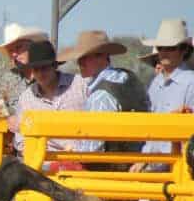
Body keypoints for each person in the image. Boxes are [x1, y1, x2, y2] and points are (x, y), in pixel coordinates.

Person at [57, 30, 149, 159]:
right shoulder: (129, 78)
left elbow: (92, 151)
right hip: (139, 159)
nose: (80, 63)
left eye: (84, 58)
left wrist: (73, 150)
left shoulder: (100, 96)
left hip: (112, 167)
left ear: (101, 56)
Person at [131, 18, 194, 173]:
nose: (164, 52)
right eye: (160, 47)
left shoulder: (191, 82)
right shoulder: (155, 84)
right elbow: (150, 130)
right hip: (154, 165)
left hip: (180, 169)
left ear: (184, 50)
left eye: (170, 47)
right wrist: (143, 160)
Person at [14, 41, 87, 159]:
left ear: (54, 65)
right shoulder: (26, 99)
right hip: (42, 163)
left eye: (44, 68)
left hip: (81, 158)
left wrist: (79, 151)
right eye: (36, 69)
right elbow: (21, 140)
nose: (40, 73)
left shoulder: (79, 85)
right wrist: (39, 153)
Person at [0, 23, 50, 155]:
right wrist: (7, 118)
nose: (14, 54)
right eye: (10, 51)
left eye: (18, 48)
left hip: (48, 149)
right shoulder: (7, 80)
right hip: (16, 151)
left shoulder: (50, 77)